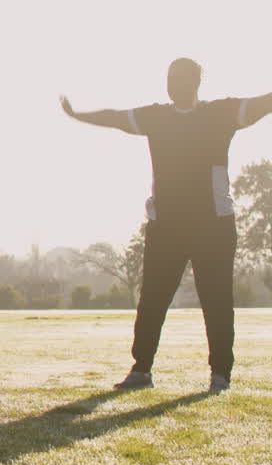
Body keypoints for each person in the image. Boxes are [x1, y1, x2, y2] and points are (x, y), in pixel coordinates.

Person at [62, 58, 272, 393]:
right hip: (166, 227)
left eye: (179, 78)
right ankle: (141, 370)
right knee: (153, 300)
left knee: (216, 300)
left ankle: (220, 375)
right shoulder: (156, 117)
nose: (172, 84)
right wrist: (78, 115)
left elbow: (263, 103)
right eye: (169, 78)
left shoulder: (221, 113)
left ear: (196, 82)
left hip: (214, 226)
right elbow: (116, 118)